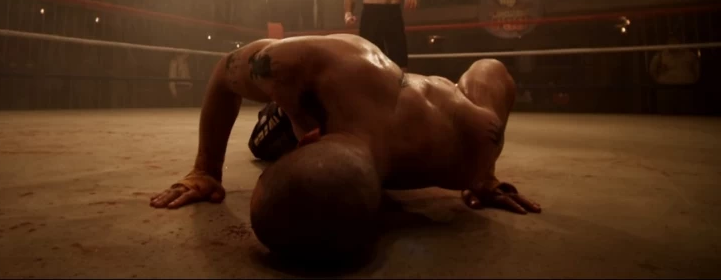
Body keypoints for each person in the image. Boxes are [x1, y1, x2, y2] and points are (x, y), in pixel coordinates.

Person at [149, 34, 541, 261]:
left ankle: (279, 119)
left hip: (320, 96)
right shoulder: (471, 151)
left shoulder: (470, 156)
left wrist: (483, 176)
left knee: (268, 144)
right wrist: (205, 168)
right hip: (314, 91)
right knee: (267, 129)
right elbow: (491, 70)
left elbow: (490, 69)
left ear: (306, 138)